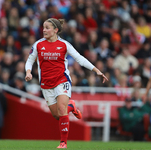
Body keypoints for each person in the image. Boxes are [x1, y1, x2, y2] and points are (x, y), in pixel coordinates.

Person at [25, 18, 108, 148]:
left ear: (55, 30)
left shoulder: (64, 44)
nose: (44, 30)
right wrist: (28, 72)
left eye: (47, 28)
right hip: (46, 84)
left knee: (62, 109)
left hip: (62, 80)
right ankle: (72, 106)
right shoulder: (38, 45)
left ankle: (63, 142)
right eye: (43, 27)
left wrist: (96, 70)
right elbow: (30, 60)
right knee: (57, 115)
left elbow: (79, 58)